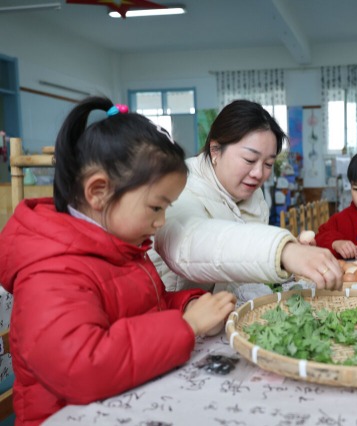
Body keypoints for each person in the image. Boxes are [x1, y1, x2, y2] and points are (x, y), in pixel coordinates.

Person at [0, 97, 237, 425]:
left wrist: (187, 305)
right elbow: (82, 367)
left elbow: (145, 309)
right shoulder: (51, 268)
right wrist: (187, 326)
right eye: (156, 207)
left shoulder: (120, 246)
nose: (161, 221)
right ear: (99, 192)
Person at [151, 100, 342, 294]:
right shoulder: (180, 185)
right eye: (249, 160)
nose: (259, 173)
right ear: (215, 150)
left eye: (268, 164)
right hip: (179, 311)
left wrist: (291, 261)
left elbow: (244, 265)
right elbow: (191, 242)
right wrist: (283, 251)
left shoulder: (252, 193)